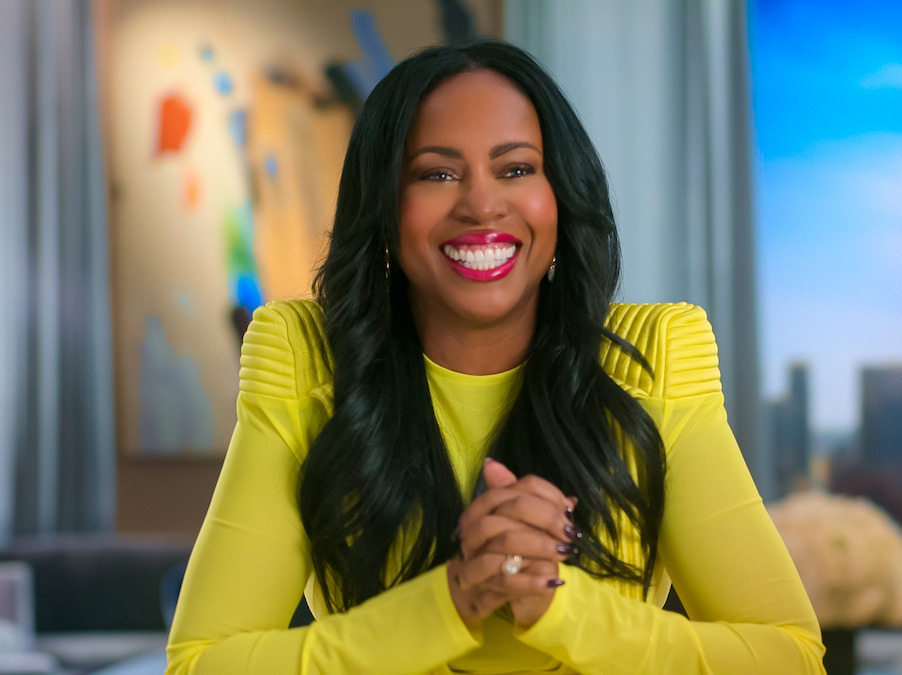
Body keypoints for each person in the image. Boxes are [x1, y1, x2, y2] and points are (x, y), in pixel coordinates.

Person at [165, 40, 825, 674]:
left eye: (515, 169)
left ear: (560, 197)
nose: (481, 204)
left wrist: (557, 602)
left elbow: (789, 657)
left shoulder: (651, 357)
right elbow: (201, 662)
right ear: (386, 208)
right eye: (437, 173)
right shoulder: (309, 358)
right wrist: (451, 599)